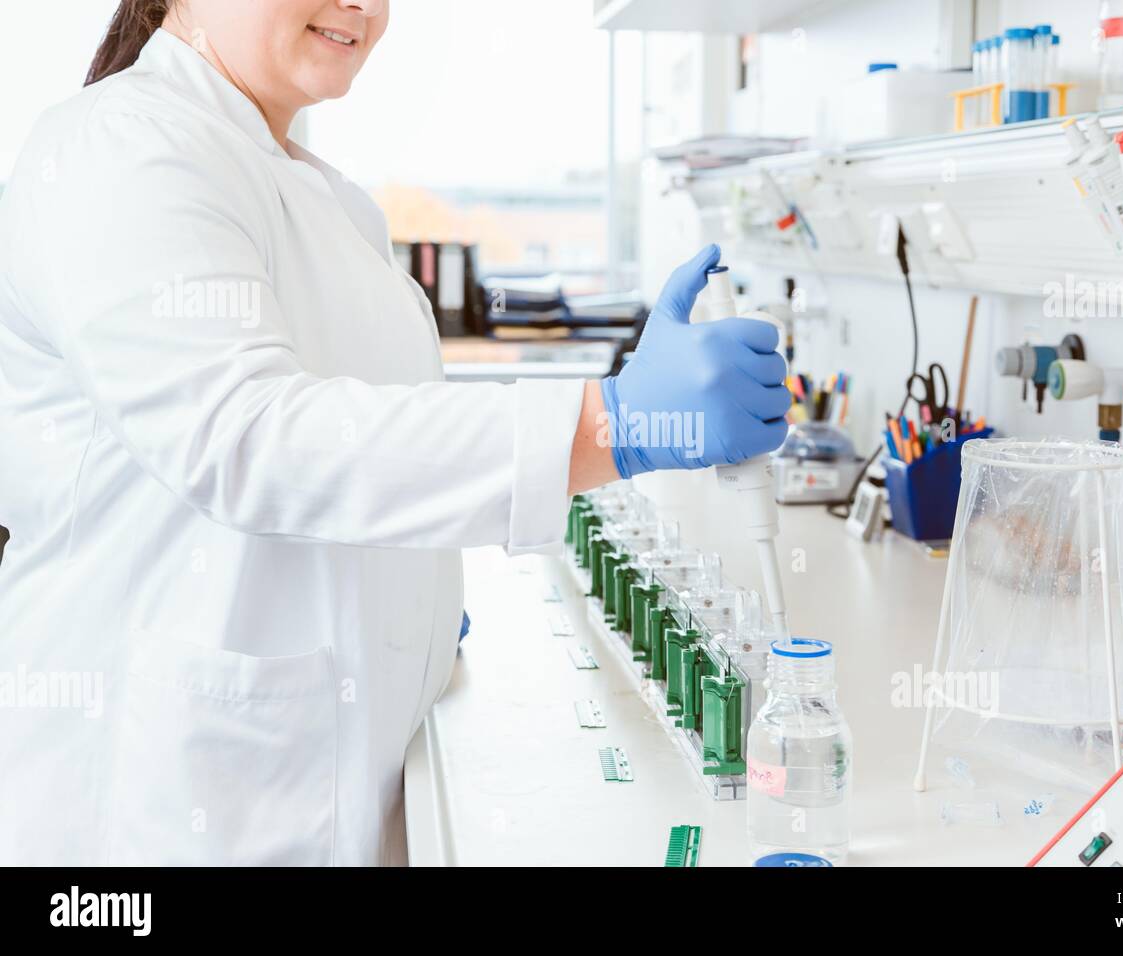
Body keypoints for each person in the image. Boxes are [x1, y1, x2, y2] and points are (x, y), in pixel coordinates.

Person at [0, 0, 789, 865]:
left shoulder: (320, 194)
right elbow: (247, 438)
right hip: (160, 810)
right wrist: (613, 425)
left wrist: (409, 604)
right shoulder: (122, 146)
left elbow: (358, 439)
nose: (365, 8)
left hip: (328, 770)